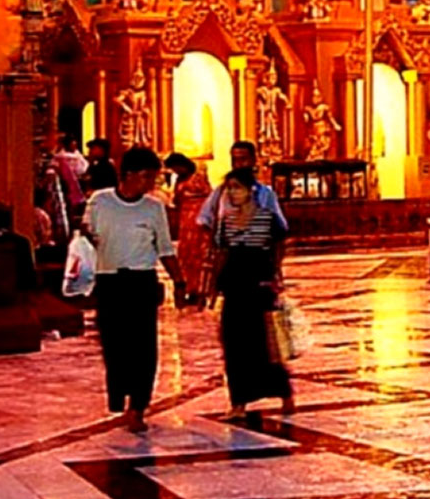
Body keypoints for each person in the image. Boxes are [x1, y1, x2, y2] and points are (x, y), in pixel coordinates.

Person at [82, 146, 182, 431]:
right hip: (110, 282)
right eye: (146, 176)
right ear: (127, 175)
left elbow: (164, 247)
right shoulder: (100, 202)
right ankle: (119, 396)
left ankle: (138, 405)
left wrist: (179, 281)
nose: (151, 183)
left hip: (141, 282)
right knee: (115, 346)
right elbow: (88, 235)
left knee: (143, 348)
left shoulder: (154, 208)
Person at [212, 167, 294, 419]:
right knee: (234, 344)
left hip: (259, 285)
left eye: (238, 187)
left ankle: (284, 393)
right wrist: (213, 286)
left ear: (250, 190)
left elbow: (280, 244)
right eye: (230, 189)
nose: (233, 193)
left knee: (265, 344)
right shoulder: (225, 221)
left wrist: (276, 273)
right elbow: (222, 253)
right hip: (234, 285)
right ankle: (238, 401)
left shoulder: (266, 218)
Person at [165, 153, 213, 308]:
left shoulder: (198, 176)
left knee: (198, 255)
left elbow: (208, 196)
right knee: (185, 254)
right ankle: (188, 287)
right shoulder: (179, 179)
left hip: (199, 218)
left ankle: (199, 289)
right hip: (185, 220)